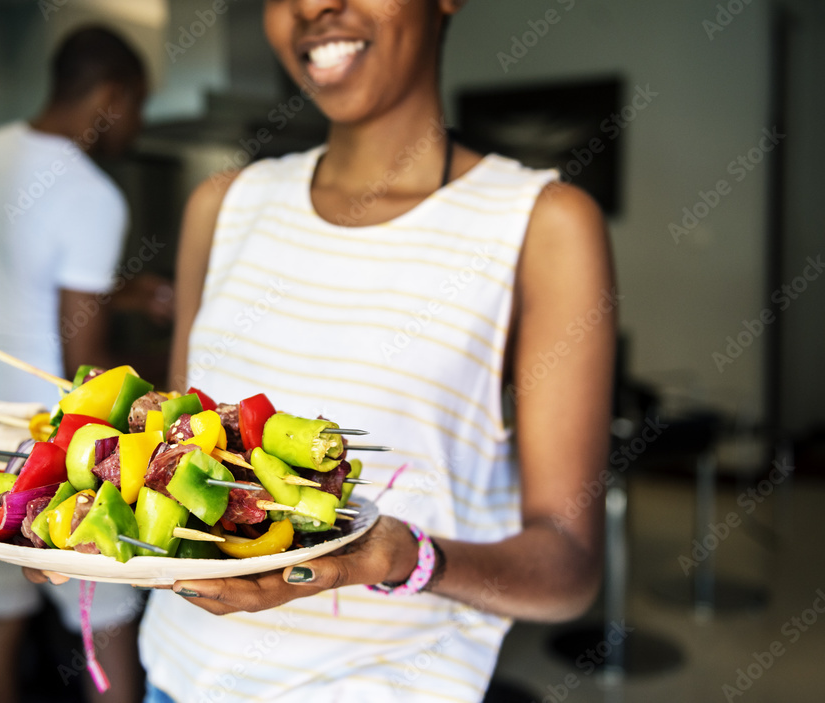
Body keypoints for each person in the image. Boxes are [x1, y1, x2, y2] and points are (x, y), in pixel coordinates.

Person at [31, 2, 614, 701]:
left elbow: (568, 569)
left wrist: (406, 557)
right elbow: (181, 463)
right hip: (177, 679)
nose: (312, 6)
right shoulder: (222, 205)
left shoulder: (543, 225)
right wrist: (75, 508)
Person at [0, 25, 161, 703]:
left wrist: (122, 291)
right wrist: (167, 365)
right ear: (111, 96)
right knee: (107, 624)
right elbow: (85, 363)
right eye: (136, 107)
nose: (135, 125)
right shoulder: (94, 194)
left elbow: (17, 278)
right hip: (47, 437)